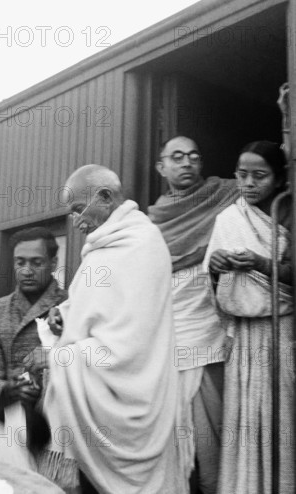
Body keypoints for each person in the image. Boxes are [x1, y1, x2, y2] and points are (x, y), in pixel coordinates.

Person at [27, 165, 178, 494]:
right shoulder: (104, 247)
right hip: (89, 400)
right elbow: (95, 309)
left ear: (106, 197)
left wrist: (57, 357)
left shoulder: (141, 247)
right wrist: (63, 314)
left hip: (126, 406)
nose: (75, 221)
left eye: (79, 210)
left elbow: (128, 345)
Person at [147, 136, 239, 493]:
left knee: (211, 432)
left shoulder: (224, 197)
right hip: (167, 343)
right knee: (173, 436)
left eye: (194, 157)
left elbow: (270, 179)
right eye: (178, 157)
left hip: (208, 334)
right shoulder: (152, 221)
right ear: (161, 167)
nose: (187, 163)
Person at [204, 141, 294, 493]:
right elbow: (212, 283)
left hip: (281, 332)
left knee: (281, 412)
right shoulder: (230, 218)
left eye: (260, 176)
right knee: (244, 414)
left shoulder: (288, 213)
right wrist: (216, 267)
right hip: (243, 334)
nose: (249, 184)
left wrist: (259, 263)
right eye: (242, 175)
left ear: (280, 178)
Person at [0, 227, 67, 421]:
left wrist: (56, 358)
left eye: (37, 263)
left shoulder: (71, 304)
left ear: (54, 263)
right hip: (12, 424)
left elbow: (92, 365)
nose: (26, 271)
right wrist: (8, 391)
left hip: (65, 420)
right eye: (20, 262)